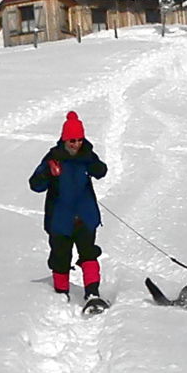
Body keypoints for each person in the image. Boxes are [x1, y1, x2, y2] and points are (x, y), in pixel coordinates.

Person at [29, 111, 108, 307]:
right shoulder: (53, 158)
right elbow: (35, 185)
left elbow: (101, 171)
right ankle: (61, 294)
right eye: (72, 140)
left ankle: (92, 294)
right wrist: (48, 173)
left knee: (89, 254)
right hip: (60, 220)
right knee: (60, 258)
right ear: (65, 139)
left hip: (85, 216)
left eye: (79, 140)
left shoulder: (87, 155)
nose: (76, 144)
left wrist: (95, 166)